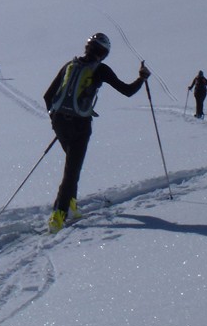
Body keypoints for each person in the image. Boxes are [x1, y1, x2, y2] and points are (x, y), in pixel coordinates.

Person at [42, 32, 150, 233]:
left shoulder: (70, 65)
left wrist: (56, 120)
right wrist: (142, 78)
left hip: (60, 122)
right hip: (80, 124)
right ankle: (59, 214)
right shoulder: (101, 69)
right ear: (104, 52)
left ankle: (71, 204)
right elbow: (127, 91)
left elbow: (48, 96)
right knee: (72, 169)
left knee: (72, 166)